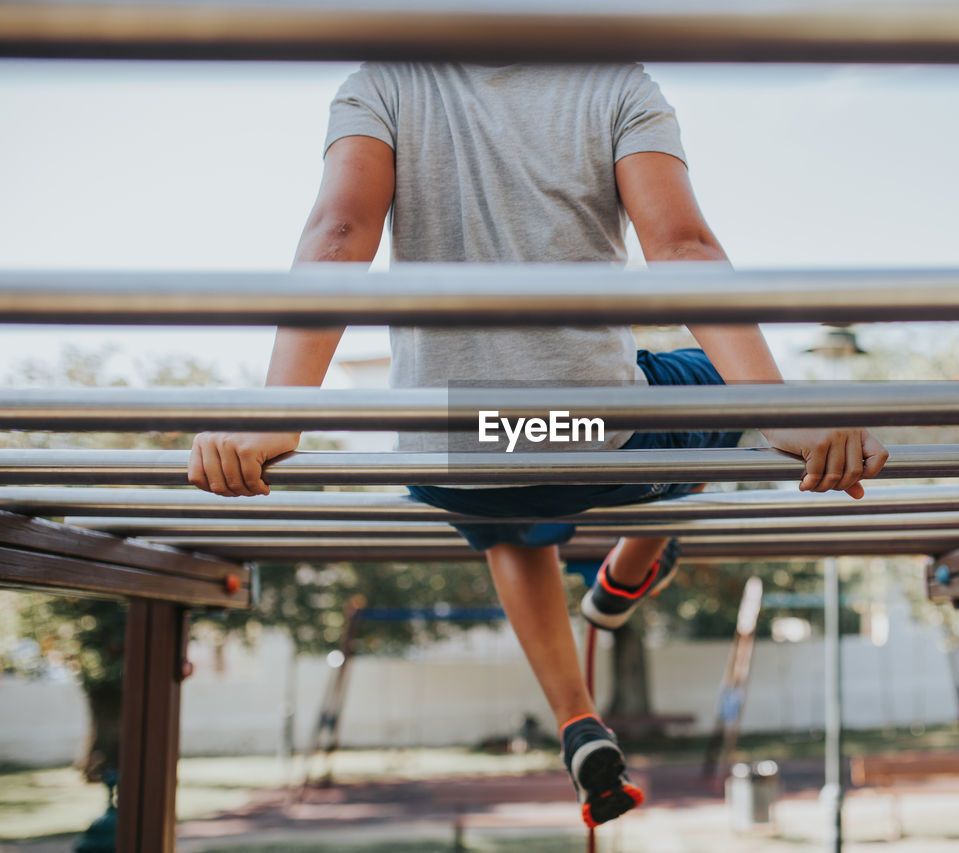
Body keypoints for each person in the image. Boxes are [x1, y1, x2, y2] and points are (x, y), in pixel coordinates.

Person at [187, 62, 888, 828]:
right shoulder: (615, 84)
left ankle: (576, 718)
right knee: (709, 384)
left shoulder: (383, 80)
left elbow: (338, 233)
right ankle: (630, 561)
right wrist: (781, 412)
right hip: (591, 437)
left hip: (454, 451)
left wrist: (278, 415)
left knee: (506, 503)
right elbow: (682, 247)